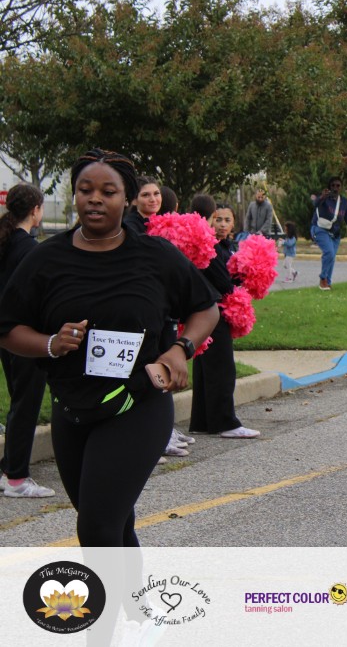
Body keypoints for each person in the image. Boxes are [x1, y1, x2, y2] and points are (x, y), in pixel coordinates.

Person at [0, 148, 219, 546]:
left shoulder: (154, 256)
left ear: (127, 198)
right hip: (72, 408)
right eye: (85, 190)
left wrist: (180, 348)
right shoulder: (46, 258)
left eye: (108, 191)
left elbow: (206, 308)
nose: (95, 199)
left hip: (137, 403)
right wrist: (51, 343)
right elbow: (8, 327)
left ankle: (104, 592)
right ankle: (130, 589)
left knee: (97, 526)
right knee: (111, 522)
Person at [188, 200, 260, 439]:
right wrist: (238, 285)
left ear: (233, 224)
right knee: (221, 368)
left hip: (207, 311)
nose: (221, 224)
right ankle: (225, 423)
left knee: (206, 368)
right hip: (213, 312)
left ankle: (202, 421)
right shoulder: (210, 248)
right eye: (217, 219)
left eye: (227, 220)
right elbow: (225, 283)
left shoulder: (224, 247)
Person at [0, 184, 54, 498]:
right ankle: (17, 478)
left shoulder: (6, 241)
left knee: (19, 402)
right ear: (35, 210)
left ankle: (9, 467)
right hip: (26, 336)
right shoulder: (30, 249)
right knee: (26, 405)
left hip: (6, 335)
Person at [311, 177, 347, 291]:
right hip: (320, 229)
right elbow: (315, 204)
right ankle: (323, 279)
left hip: (335, 233)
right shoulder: (324, 198)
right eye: (333, 185)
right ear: (329, 187)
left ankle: (327, 282)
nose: (335, 188)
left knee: (332, 257)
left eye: (338, 186)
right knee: (329, 252)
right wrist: (322, 197)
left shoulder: (344, 202)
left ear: (341, 188)